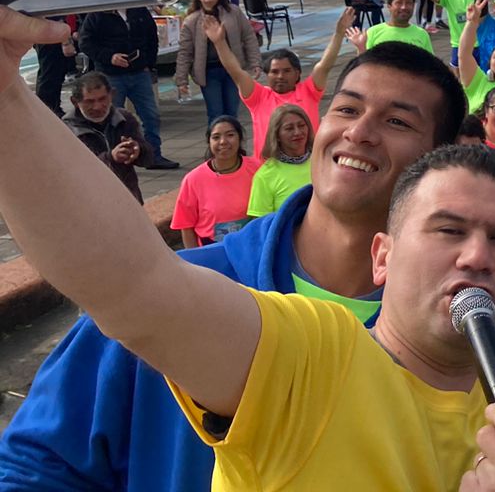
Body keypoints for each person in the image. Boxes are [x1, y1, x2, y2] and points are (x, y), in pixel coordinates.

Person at [0, 27, 470, 492]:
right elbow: (35, 465)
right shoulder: (178, 289)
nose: (359, 132)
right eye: (346, 108)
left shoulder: (451, 336)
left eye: (397, 122)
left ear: (439, 161)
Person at [208, 7, 352, 156]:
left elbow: (325, 65)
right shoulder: (258, 97)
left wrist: (339, 34)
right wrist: (219, 42)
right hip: (269, 170)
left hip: (308, 168)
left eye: (286, 71)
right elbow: (235, 71)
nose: (280, 76)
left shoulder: (309, 91)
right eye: (274, 72)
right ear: (267, 75)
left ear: (297, 74)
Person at [77, 4, 178, 169]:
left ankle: (153, 156)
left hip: (139, 73)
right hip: (111, 75)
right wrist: (110, 57)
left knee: (151, 116)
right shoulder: (98, 14)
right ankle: (115, 158)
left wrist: (148, 63)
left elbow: (152, 38)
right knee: (113, 119)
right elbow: (85, 43)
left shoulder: (139, 10)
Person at [173, 0, 260, 122]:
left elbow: (249, 37)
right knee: (215, 114)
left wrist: (255, 63)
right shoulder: (191, 20)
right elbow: (185, 52)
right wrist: (182, 80)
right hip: (209, 73)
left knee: (232, 112)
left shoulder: (234, 12)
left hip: (233, 70)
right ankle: (215, 142)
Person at [170, 115, 260, 247]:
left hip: (250, 246)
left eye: (230, 135)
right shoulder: (194, 179)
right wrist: (196, 259)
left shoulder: (257, 170)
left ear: (240, 138)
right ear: (209, 142)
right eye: (216, 137)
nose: (223, 141)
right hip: (211, 249)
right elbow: (186, 226)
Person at [64, 71, 154, 202]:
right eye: (89, 102)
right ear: (75, 102)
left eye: (102, 99)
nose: (97, 107)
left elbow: (148, 160)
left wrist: (138, 150)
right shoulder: (66, 130)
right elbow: (73, 171)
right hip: (89, 202)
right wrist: (111, 157)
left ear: (111, 95)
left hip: (128, 198)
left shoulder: (124, 119)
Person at [245, 104, 314, 217]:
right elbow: (261, 225)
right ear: (276, 135)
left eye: (301, 125)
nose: (297, 132)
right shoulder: (264, 176)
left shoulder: (322, 162)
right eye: (289, 128)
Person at [364, 0, 432, 50]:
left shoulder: (422, 34)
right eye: (399, 3)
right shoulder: (373, 32)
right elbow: (363, 61)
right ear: (389, 6)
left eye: (408, 3)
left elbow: (430, 62)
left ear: (413, 6)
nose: (404, 7)